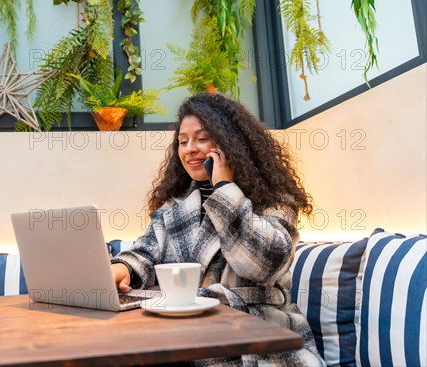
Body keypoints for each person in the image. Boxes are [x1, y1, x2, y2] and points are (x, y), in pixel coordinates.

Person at [111, 92, 326, 366]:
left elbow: (262, 265)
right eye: (183, 141)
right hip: (189, 341)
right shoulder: (172, 209)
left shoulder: (275, 203)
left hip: (261, 342)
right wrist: (122, 268)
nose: (190, 149)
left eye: (202, 139)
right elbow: (145, 252)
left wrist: (224, 189)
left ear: (231, 141)